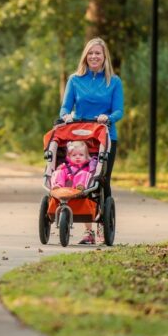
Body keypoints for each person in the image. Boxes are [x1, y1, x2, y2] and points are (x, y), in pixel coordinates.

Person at [59, 37, 124, 245]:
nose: (94, 56)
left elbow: (119, 110)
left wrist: (109, 118)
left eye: (98, 53)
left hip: (105, 136)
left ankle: (102, 226)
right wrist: (67, 116)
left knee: (102, 180)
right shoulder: (75, 80)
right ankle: (87, 232)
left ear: (105, 57)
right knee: (81, 177)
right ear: (85, 56)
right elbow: (64, 108)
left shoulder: (113, 81)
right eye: (90, 53)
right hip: (80, 137)